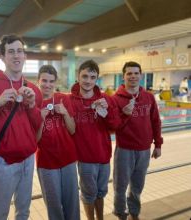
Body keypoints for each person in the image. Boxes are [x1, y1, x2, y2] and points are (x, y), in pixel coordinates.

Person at [0, 34, 42, 219]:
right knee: (1, 212)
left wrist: (31, 105)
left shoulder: (33, 89)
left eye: (20, 51)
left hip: (28, 160)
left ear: (25, 56)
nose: (16, 56)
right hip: (3, 162)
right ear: (2, 57)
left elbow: (38, 124)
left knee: (24, 210)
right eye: (10, 52)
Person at [112, 61, 163, 220]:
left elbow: (155, 121)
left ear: (140, 75)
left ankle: (134, 212)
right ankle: (121, 213)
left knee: (137, 185)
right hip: (125, 149)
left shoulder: (148, 97)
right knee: (120, 186)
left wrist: (158, 144)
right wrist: (124, 114)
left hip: (143, 150)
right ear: (123, 76)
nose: (133, 76)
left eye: (136, 73)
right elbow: (114, 126)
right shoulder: (116, 99)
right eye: (129, 73)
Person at [69, 60, 119, 220]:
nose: (88, 81)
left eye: (92, 77)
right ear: (78, 76)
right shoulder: (70, 101)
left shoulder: (106, 99)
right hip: (85, 158)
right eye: (85, 76)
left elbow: (116, 125)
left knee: (101, 192)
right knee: (89, 193)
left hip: (104, 156)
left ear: (96, 79)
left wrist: (107, 111)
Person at [36, 65, 80, 220]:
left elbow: (73, 129)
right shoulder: (33, 104)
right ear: (38, 81)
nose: (47, 85)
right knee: (54, 206)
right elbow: (35, 140)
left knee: (72, 202)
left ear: (55, 82)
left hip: (67, 158)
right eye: (44, 80)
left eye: (51, 81)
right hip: (46, 162)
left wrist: (65, 113)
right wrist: (40, 119)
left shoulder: (63, 98)